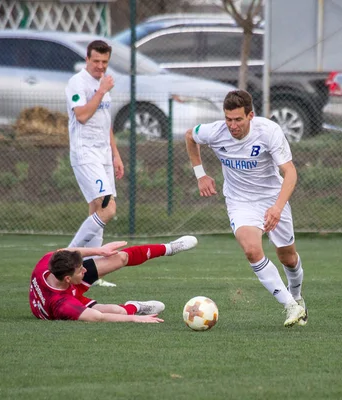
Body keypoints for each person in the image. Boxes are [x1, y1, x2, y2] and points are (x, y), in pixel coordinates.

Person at [185, 90, 307, 327]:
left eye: (238, 119)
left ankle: (297, 296)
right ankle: (290, 306)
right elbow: (190, 136)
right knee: (252, 250)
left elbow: (290, 172)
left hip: (272, 197)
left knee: (288, 257)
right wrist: (200, 174)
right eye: (228, 119)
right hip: (239, 201)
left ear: (251, 115)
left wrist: (277, 208)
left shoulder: (269, 131)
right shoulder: (215, 132)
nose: (232, 125)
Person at [29, 235, 198, 322]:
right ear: (67, 278)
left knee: (121, 257)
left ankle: (169, 248)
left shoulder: (48, 262)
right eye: (81, 270)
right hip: (68, 298)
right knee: (117, 312)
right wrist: (136, 319)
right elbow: (98, 318)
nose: (85, 270)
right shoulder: (63, 305)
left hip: (66, 288)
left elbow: (62, 251)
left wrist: (99, 251)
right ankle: (136, 306)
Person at [64, 39, 123, 287]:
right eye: (96, 61)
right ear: (87, 59)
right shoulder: (77, 83)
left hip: (102, 155)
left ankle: (91, 274)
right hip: (85, 152)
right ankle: (66, 257)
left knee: (96, 208)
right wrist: (101, 91)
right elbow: (83, 115)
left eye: (104, 62)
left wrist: (116, 154)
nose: (100, 66)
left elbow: (104, 121)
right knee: (107, 208)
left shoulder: (102, 83)